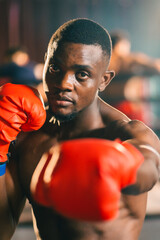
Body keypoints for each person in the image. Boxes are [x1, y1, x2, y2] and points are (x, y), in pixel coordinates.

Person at [0, 18, 160, 240]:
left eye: (81, 74)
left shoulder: (125, 133)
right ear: (45, 62)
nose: (64, 83)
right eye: (55, 67)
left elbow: (149, 167)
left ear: (104, 80)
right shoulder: (27, 138)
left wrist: (118, 165)